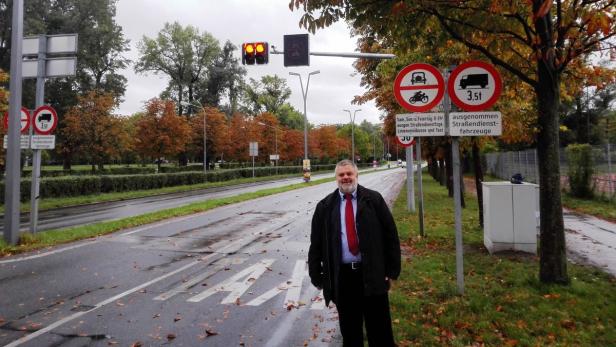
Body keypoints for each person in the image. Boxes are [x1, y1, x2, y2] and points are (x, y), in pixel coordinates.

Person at [309, 159, 401, 346]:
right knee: (350, 334)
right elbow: (316, 244)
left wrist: (391, 271)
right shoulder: (325, 207)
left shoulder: (373, 200)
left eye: (349, 174)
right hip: (344, 279)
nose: (345, 178)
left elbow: (391, 235)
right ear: (336, 178)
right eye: (341, 175)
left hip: (373, 274)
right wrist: (317, 276)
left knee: (380, 332)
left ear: (356, 175)